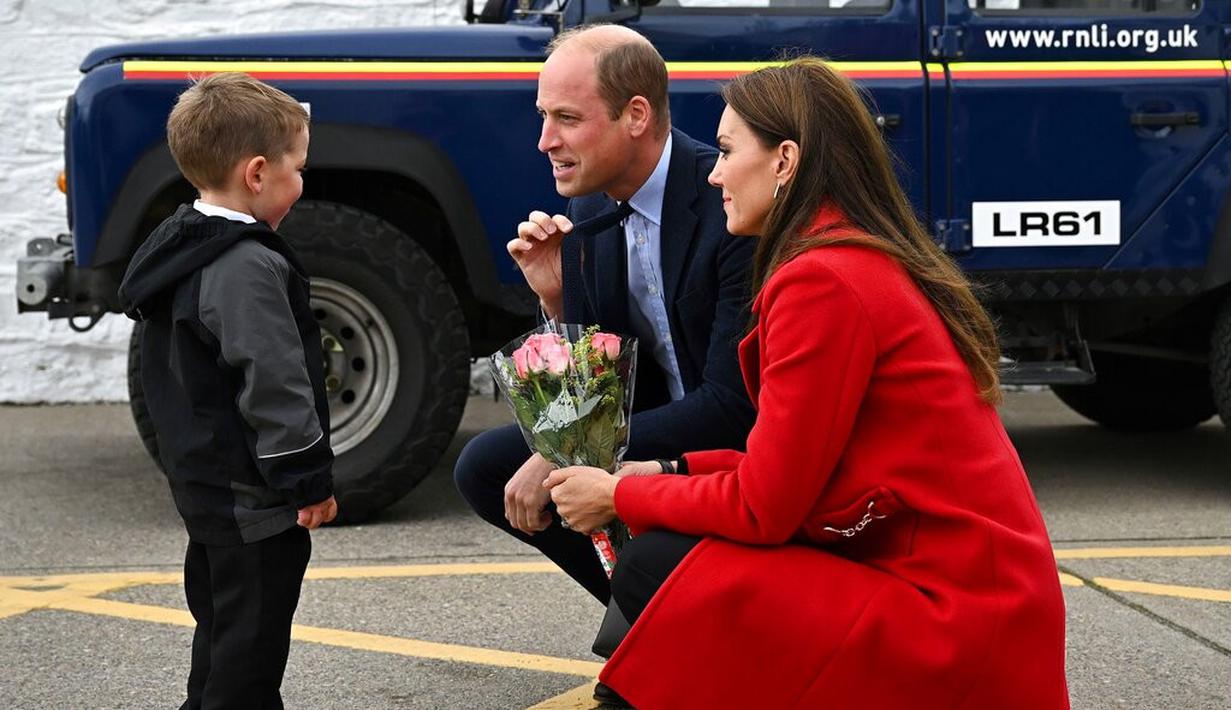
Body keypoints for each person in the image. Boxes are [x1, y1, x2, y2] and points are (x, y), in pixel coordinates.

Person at [544, 57, 1070, 709]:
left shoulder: (820, 281)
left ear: (784, 160)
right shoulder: (850, 258)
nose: (711, 173)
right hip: (971, 600)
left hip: (951, 620)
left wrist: (623, 493)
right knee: (675, 564)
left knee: (664, 564)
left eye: (728, 151)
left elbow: (765, 508)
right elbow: (791, 470)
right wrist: (662, 467)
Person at [453, 24, 755, 605]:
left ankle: (684, 624)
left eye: (566, 119)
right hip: (655, 423)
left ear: (636, 116)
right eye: (543, 116)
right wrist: (557, 302)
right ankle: (644, 624)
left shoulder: (727, 200)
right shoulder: (589, 202)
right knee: (484, 467)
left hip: (737, 441)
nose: (544, 140)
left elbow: (731, 403)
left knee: (549, 467)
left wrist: (570, 456)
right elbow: (600, 382)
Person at [117, 72, 337, 710]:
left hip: (206, 488)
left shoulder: (181, 245)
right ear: (259, 173)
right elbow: (274, 383)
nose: (303, 181)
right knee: (250, 653)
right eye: (298, 168)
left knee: (222, 634)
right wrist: (309, 480)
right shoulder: (244, 265)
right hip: (254, 500)